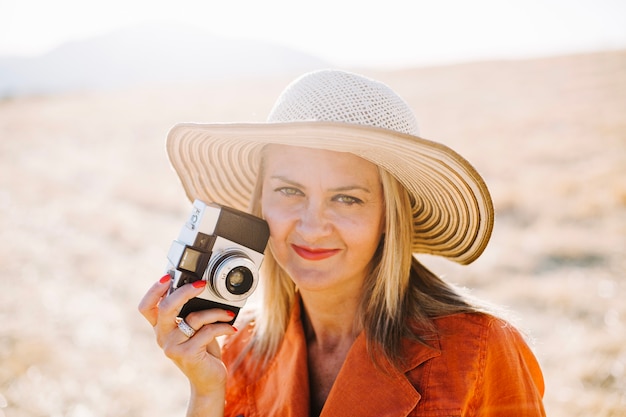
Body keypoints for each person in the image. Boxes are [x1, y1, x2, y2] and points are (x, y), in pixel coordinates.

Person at [139, 69, 546, 416]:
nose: (313, 226)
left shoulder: (479, 350)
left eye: (347, 198)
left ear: (390, 216)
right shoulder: (241, 349)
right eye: (289, 191)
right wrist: (207, 393)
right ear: (260, 202)